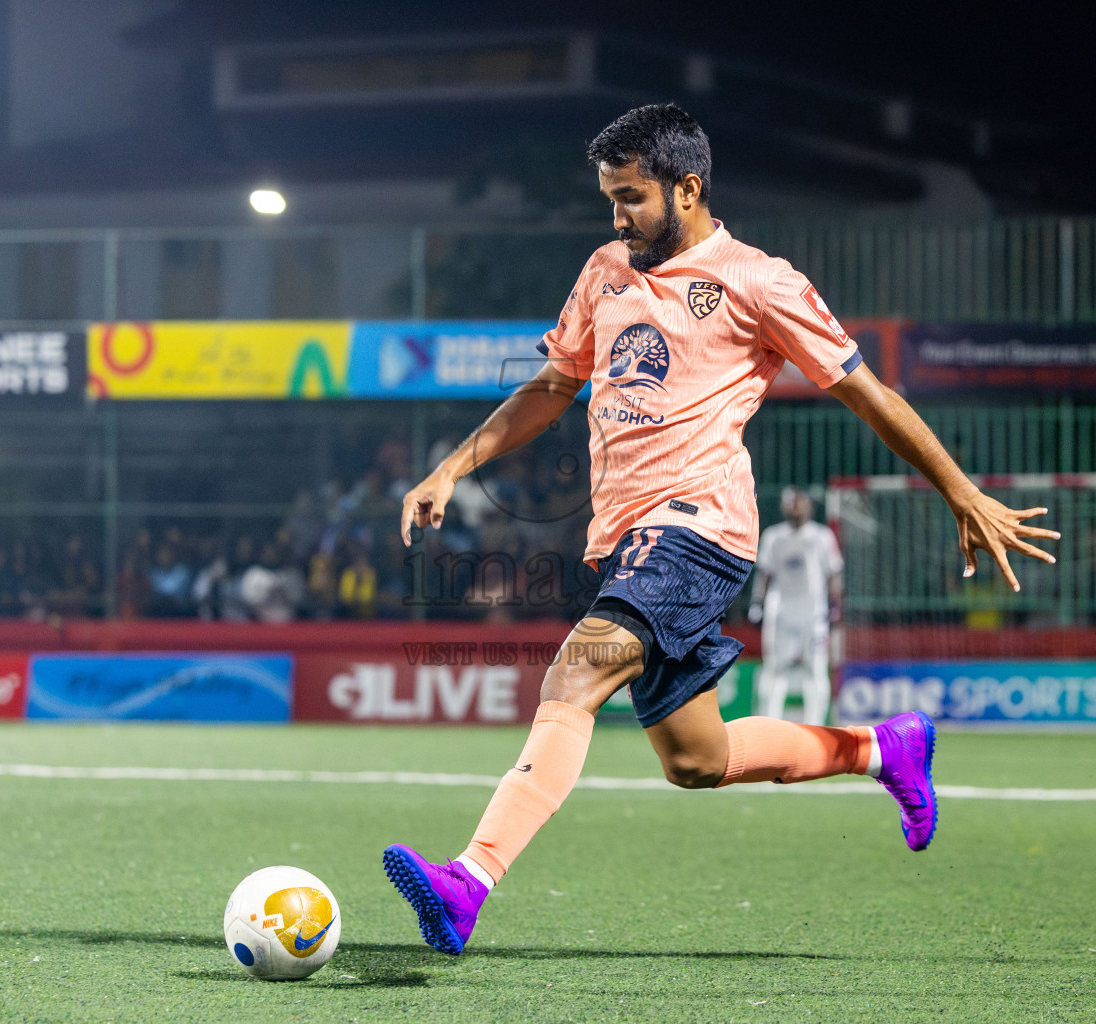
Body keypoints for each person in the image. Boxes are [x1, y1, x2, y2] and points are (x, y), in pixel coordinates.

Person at [380, 104, 1059, 955]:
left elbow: (864, 391)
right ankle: (882, 750)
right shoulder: (604, 270)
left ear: (687, 187)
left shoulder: (758, 281)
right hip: (627, 540)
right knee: (696, 759)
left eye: (630, 198)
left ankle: (467, 881)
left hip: (699, 525)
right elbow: (553, 388)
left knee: (573, 676)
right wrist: (452, 466)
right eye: (610, 199)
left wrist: (959, 489)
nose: (617, 217)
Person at [749, 488, 843, 725]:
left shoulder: (822, 536)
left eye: (799, 502)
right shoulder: (773, 536)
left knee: (816, 668)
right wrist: (757, 602)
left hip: (814, 612)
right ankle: (770, 724)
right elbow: (765, 574)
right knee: (775, 668)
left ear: (809, 506)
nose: (795, 507)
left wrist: (835, 604)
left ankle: (815, 725)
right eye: (790, 503)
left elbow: (833, 573)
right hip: (780, 611)